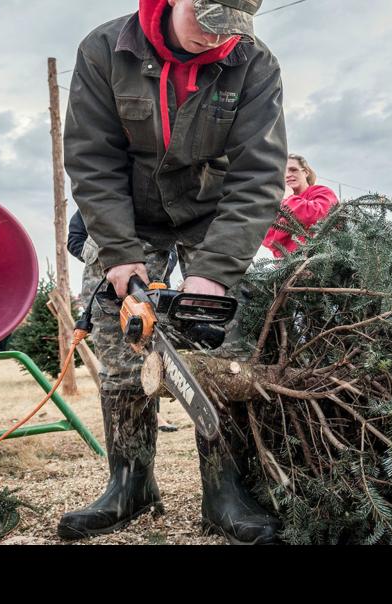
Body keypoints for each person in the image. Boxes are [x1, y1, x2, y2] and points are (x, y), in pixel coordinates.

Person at [61, 0, 288, 543]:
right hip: (127, 216)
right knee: (121, 351)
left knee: (225, 352)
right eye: (206, 22)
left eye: (229, 29)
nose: (216, 40)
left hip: (212, 220)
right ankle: (131, 483)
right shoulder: (104, 51)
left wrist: (214, 270)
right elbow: (93, 160)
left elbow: (258, 176)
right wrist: (119, 253)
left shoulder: (254, 64)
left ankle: (225, 491)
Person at [69, 210, 179, 433]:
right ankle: (128, 457)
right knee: (120, 373)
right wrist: (101, 257)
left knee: (151, 358)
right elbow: (74, 239)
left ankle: (155, 415)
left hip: (152, 287)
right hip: (107, 291)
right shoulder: (95, 203)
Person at [261, 155, 338, 257]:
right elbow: (268, 239)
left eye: (293, 170)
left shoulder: (322, 191)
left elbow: (319, 215)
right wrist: (300, 221)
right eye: (283, 172)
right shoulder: (275, 205)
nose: (288, 175)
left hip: (322, 260)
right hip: (288, 268)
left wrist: (289, 198)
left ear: (305, 172)